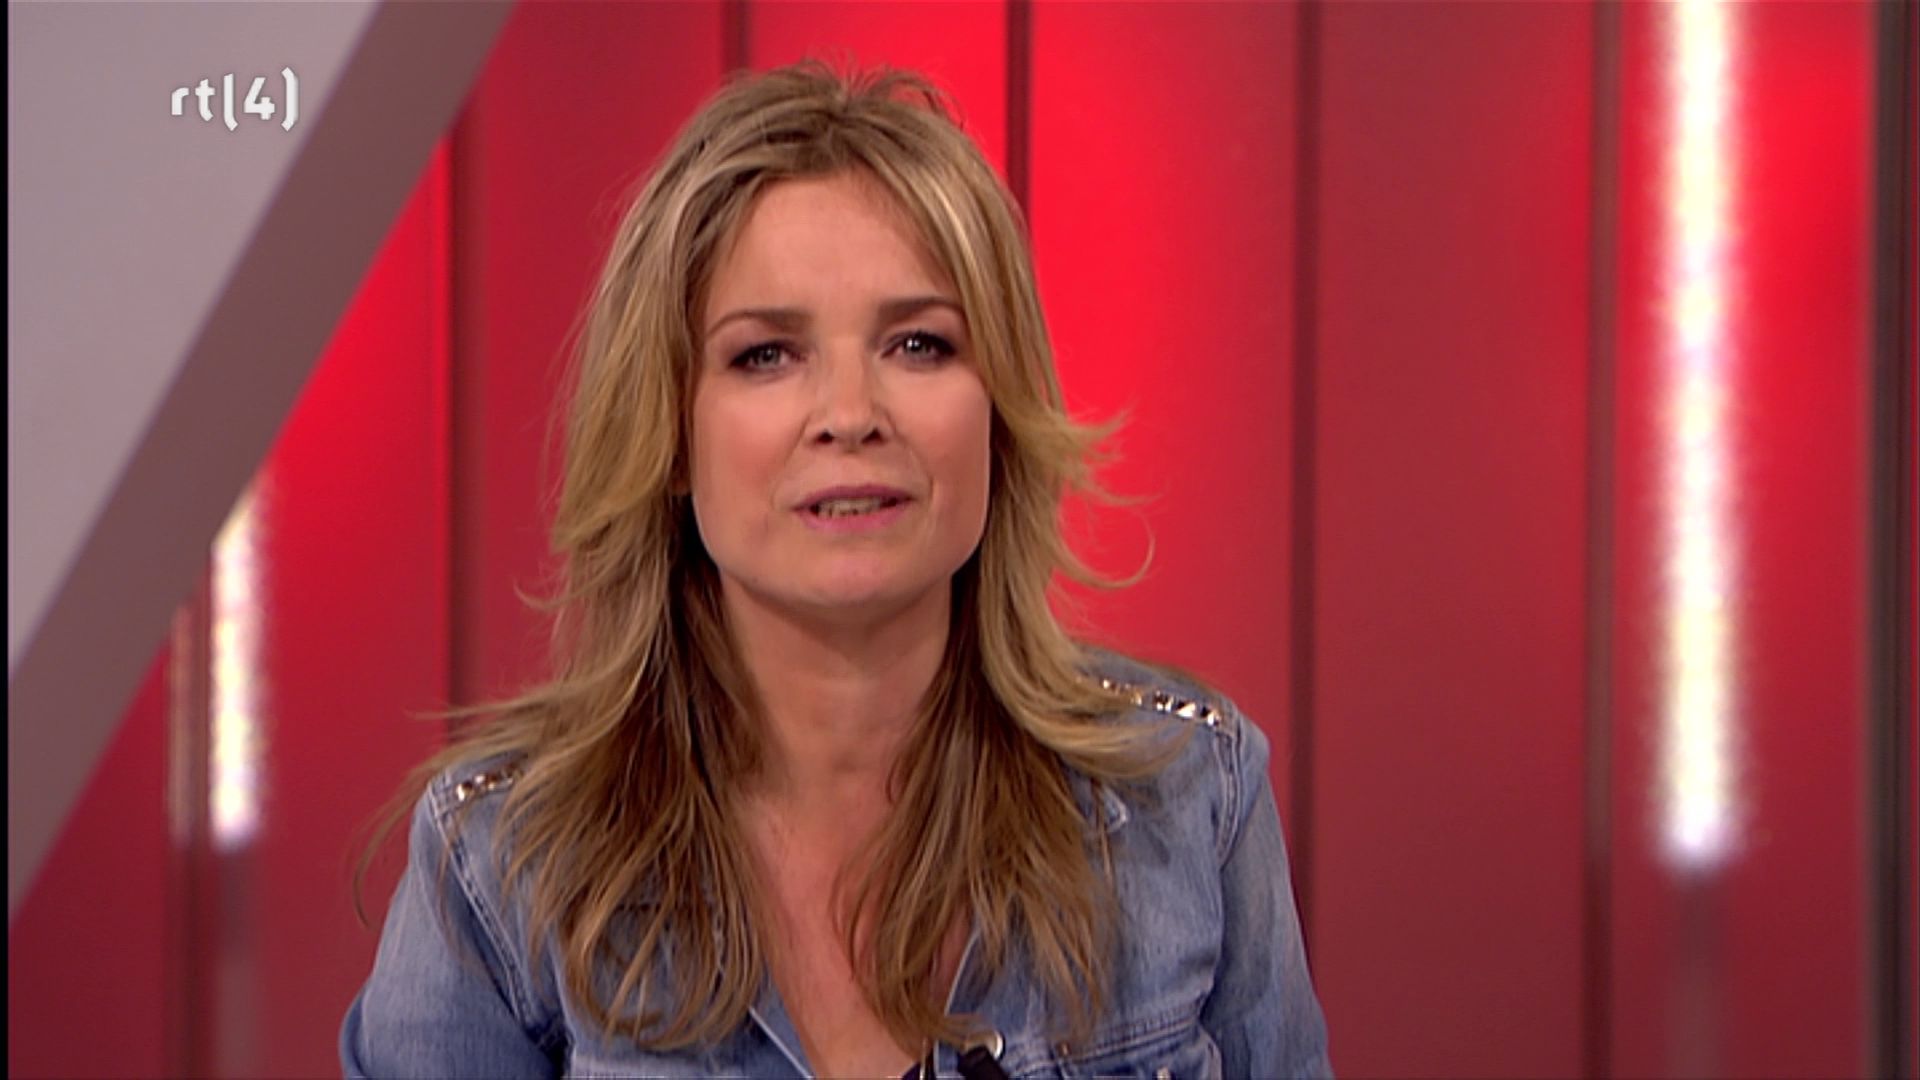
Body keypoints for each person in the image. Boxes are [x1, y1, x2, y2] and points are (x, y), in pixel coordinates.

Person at [341, 61, 1330, 1079]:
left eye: (920, 344)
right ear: (671, 434)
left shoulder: (1187, 796)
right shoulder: (499, 862)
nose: (851, 414)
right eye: (766, 355)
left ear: (999, 415)